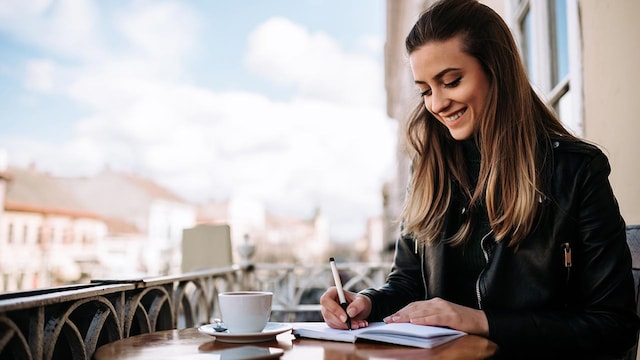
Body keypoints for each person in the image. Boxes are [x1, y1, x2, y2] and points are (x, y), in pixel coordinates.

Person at [320, 0, 640, 358]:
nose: (437, 104)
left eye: (451, 81)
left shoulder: (576, 171)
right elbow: (409, 282)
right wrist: (366, 302)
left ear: (496, 70)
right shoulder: (428, 171)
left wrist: (481, 321)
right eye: (426, 90)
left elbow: (614, 325)